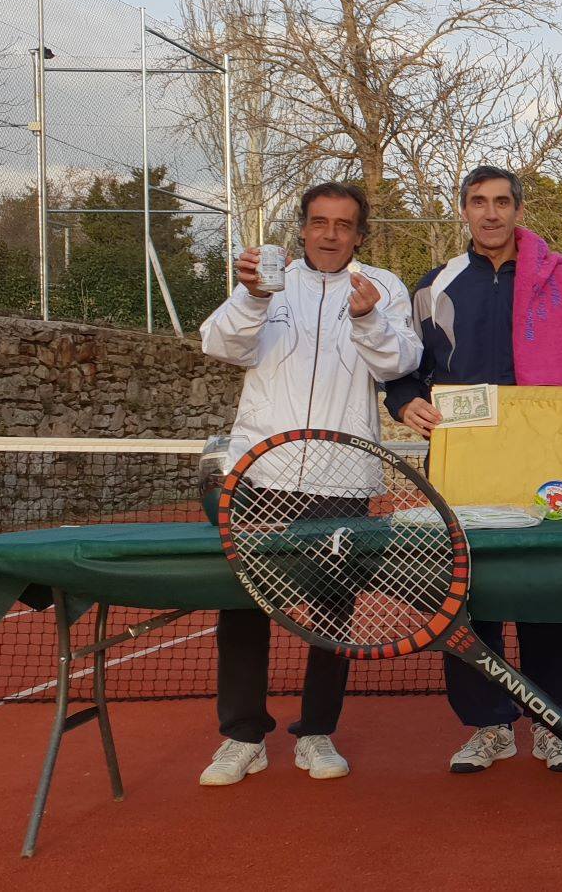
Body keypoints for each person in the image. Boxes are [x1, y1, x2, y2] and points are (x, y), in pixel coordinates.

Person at [196, 181, 422, 786]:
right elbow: (220, 344)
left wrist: (368, 316)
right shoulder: (266, 283)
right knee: (242, 609)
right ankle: (242, 737)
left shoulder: (385, 288)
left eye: (343, 225)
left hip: (341, 479)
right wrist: (251, 298)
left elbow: (401, 362)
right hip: (258, 474)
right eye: (319, 222)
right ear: (302, 229)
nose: (330, 234)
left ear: (360, 235)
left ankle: (317, 732)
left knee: (332, 610)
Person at [384, 165, 562, 773]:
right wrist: (405, 401)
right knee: (467, 597)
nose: (491, 213)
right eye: (478, 202)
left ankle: (556, 726)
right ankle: (488, 725)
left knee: (545, 594)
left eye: (502, 202)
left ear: (519, 211)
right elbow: (403, 366)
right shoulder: (434, 284)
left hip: (543, 460)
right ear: (464, 210)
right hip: (461, 459)